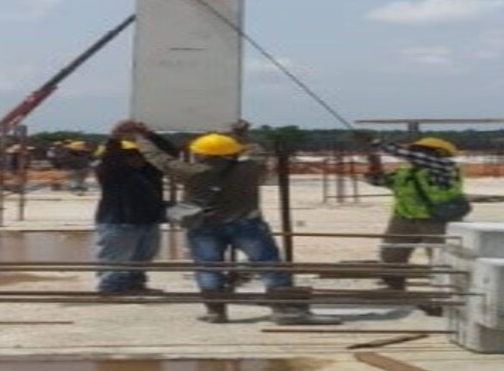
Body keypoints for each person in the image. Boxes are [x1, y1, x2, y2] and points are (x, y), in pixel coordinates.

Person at [117, 119, 339, 326]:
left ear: (200, 154)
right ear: (233, 152)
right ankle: (287, 311)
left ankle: (215, 311)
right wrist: (239, 135)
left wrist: (140, 137)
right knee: (269, 265)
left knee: (208, 267)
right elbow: (257, 151)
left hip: (204, 226)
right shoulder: (249, 168)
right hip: (246, 224)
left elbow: (159, 158)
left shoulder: (191, 172)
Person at [365, 135, 471, 291]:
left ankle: (446, 292)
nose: (415, 154)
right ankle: (394, 288)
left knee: (440, 258)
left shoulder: (445, 167)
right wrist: (375, 167)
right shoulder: (406, 172)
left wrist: (378, 143)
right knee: (391, 255)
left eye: (420, 151)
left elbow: (407, 155)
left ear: (439, 154)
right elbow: (379, 181)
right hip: (404, 219)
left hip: (436, 220)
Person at [92, 129, 177, 295]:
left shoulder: (150, 170)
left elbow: (169, 153)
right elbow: (111, 158)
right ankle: (111, 287)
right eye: (130, 155)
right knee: (116, 258)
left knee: (143, 257)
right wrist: (115, 137)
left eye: (138, 154)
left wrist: (149, 134)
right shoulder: (111, 171)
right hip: (120, 221)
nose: (137, 158)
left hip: (148, 220)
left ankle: (135, 284)